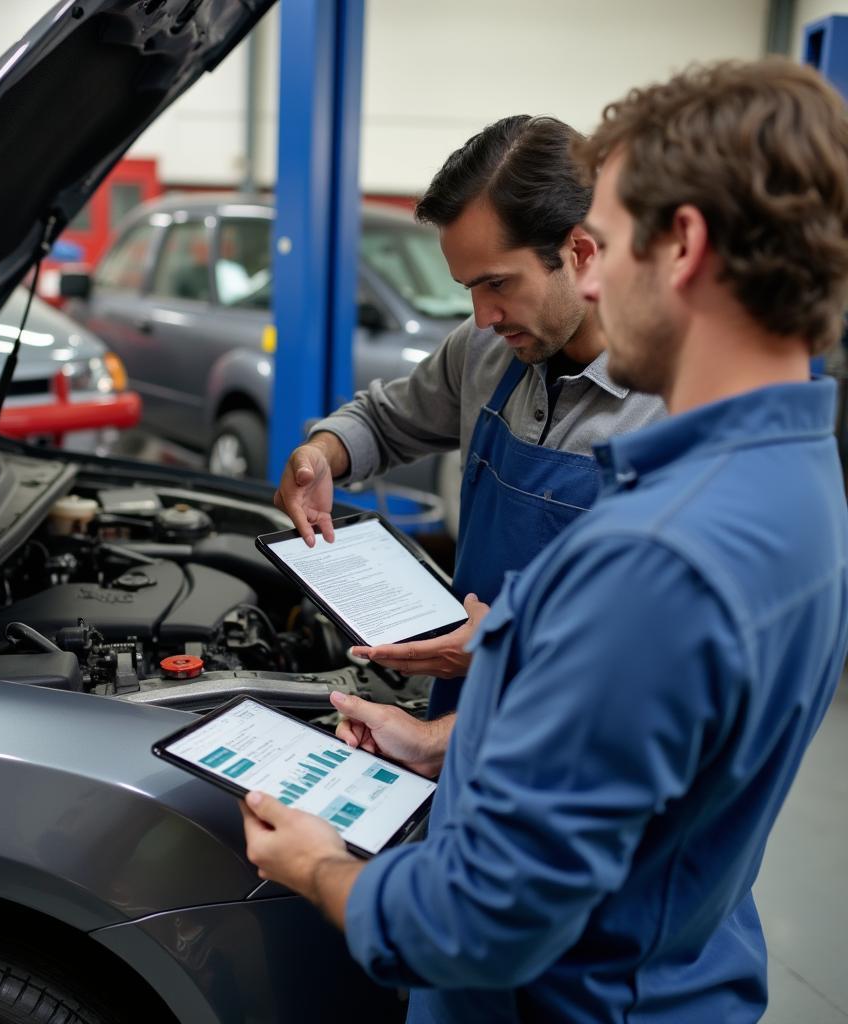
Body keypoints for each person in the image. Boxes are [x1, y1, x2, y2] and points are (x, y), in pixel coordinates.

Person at [242, 59, 848, 1023]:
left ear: (680, 244)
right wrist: (452, 743)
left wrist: (316, 864)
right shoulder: (793, 478)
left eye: (602, 241)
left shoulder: (658, 557)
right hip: (665, 964)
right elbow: (637, 762)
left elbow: (476, 923)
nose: (594, 275)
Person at [274, 115, 664, 719]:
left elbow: (647, 653)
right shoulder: (486, 351)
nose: (483, 316)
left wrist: (499, 650)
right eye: (468, 291)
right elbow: (382, 420)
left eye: (497, 284)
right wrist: (322, 453)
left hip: (569, 736)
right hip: (461, 704)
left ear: (580, 252)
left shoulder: (666, 413)